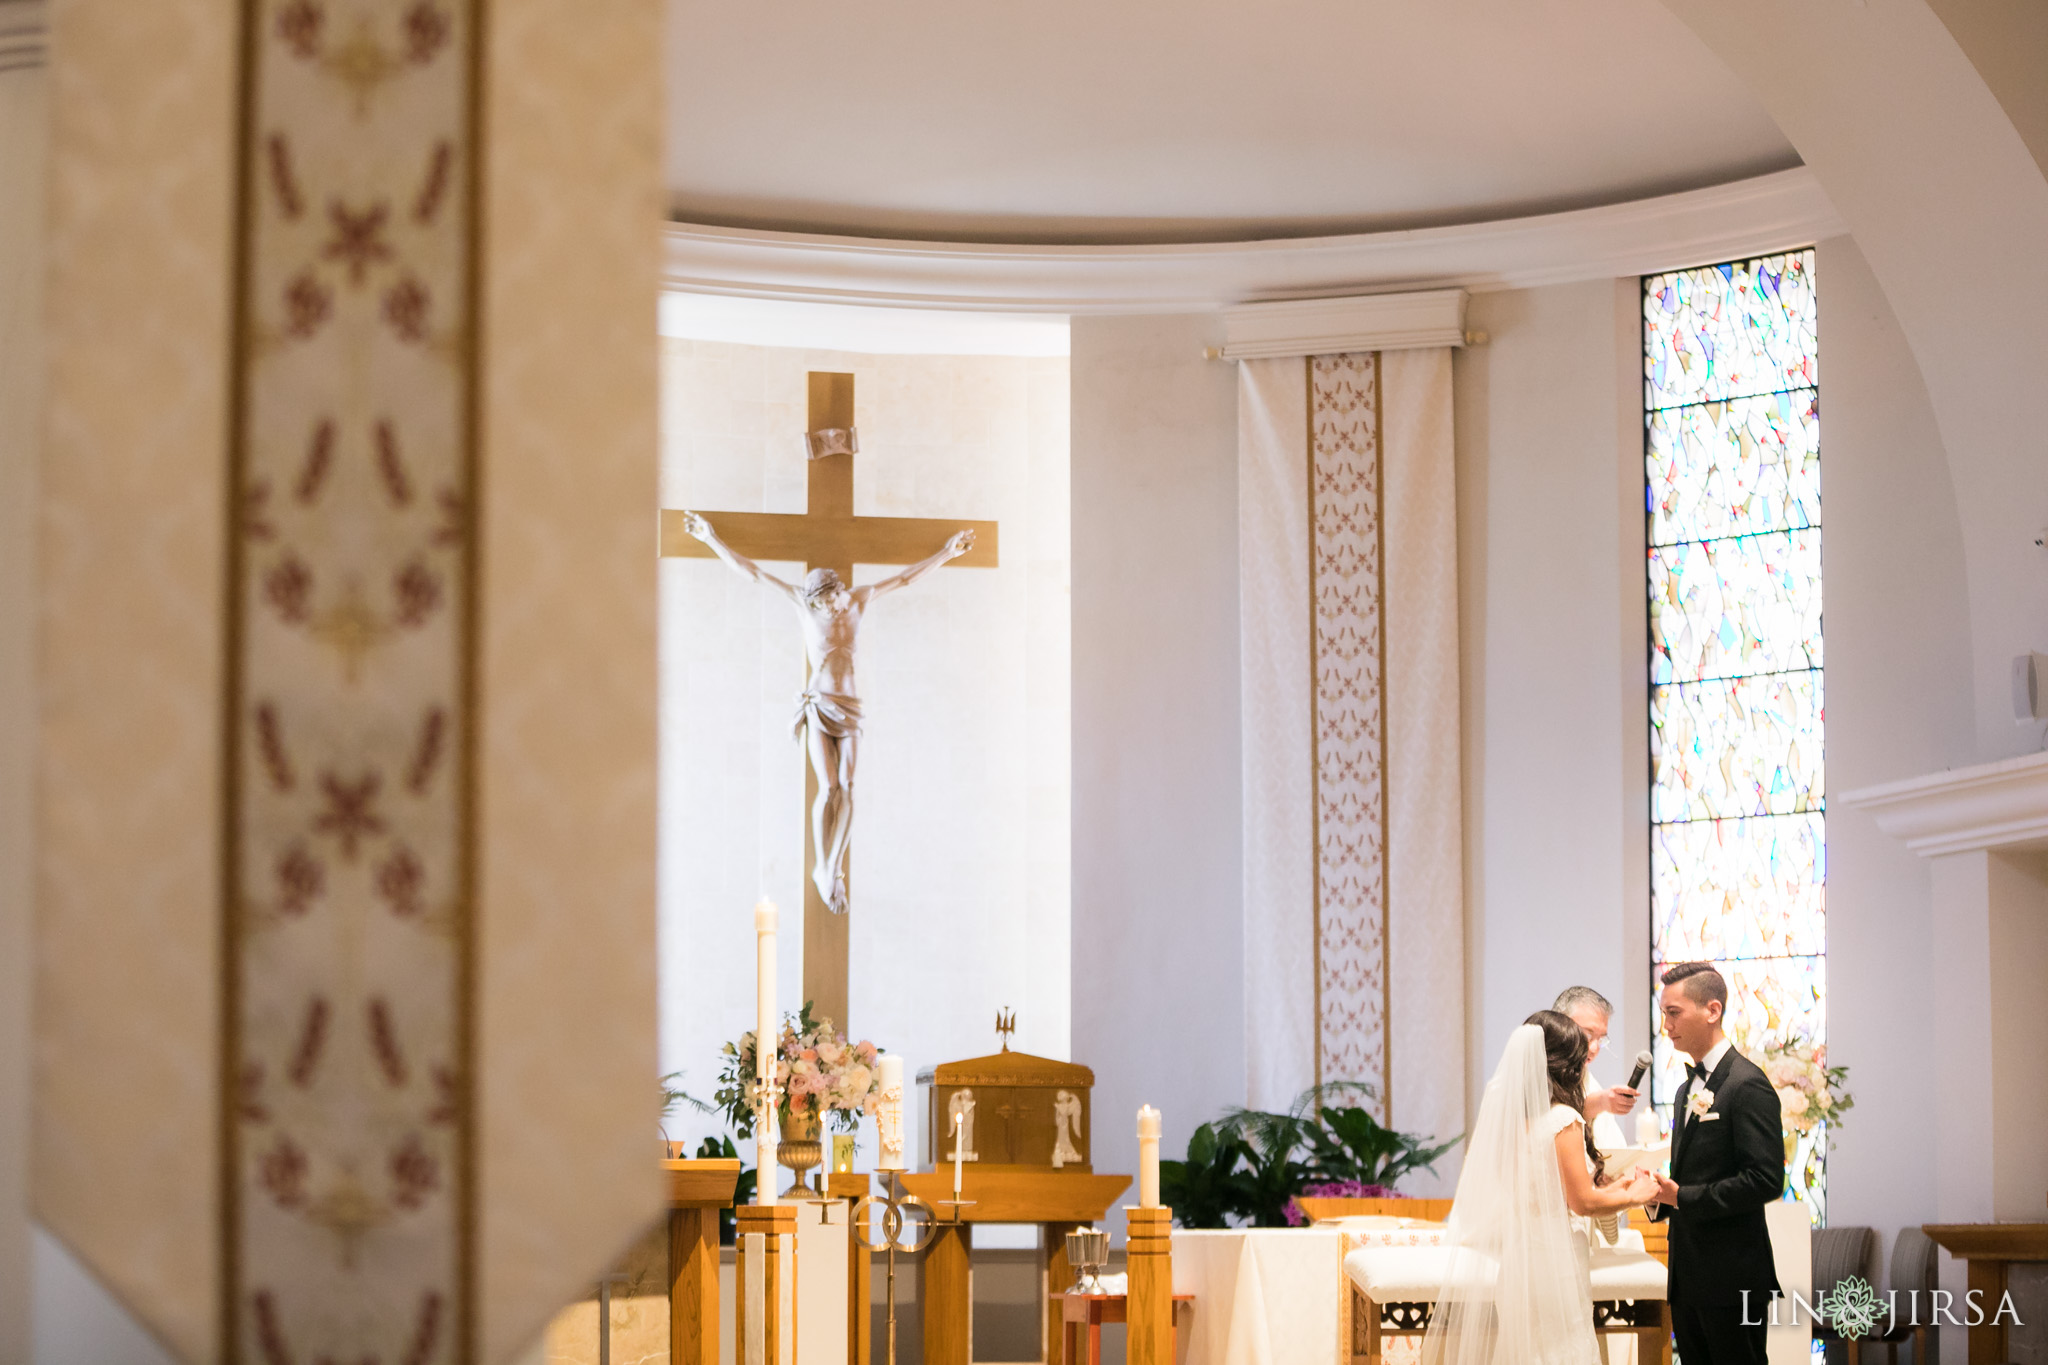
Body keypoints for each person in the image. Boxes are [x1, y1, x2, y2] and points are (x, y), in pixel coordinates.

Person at [679, 510, 974, 913]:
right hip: (818, 705)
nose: (829, 607)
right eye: (821, 602)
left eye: (831, 598)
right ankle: (822, 865)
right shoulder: (803, 605)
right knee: (830, 786)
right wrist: (710, 539)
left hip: (851, 708)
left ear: (839, 589)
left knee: (850, 787)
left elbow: (905, 578)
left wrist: (947, 553)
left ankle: (834, 864)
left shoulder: (859, 599)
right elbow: (753, 573)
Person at [1423, 1011, 1659, 1365]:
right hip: (1556, 1263)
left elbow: (1550, 1191)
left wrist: (1618, 1187)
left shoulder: (1511, 1123)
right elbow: (1581, 1202)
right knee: (1562, 1352)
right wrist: (1632, 1195)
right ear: (1567, 1066)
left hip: (1519, 1260)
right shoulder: (1563, 1120)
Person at [1648, 962, 1783, 1365]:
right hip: (1688, 1274)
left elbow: (1766, 1179)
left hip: (1732, 1276)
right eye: (1663, 1014)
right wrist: (1658, 1194)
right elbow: (1689, 1173)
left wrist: (1684, 1197)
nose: (1665, 1026)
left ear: (1712, 1010)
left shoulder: (1747, 1084)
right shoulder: (1684, 1090)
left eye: (1674, 1013)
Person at [1553, 985, 1640, 1126]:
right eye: (1587, 1034)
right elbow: (1554, 1121)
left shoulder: (1585, 1076)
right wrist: (1601, 1101)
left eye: (1600, 1040)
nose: (1594, 1048)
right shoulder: (1538, 1072)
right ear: (1560, 1025)